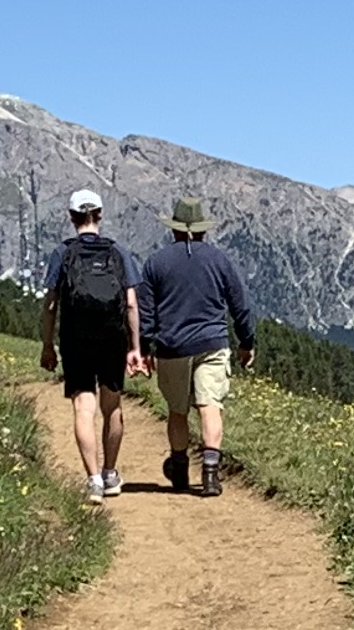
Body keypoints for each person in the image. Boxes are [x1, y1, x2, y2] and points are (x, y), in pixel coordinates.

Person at [135, 196, 256, 495]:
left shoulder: (155, 263)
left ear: (173, 229)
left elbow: (145, 310)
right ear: (203, 229)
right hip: (212, 343)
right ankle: (211, 473)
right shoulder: (219, 260)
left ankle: (178, 467)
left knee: (177, 410)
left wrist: (144, 347)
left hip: (171, 346)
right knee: (210, 405)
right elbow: (240, 305)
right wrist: (247, 342)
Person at [37, 187, 142, 500]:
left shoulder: (63, 253)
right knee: (112, 406)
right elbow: (132, 304)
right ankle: (111, 473)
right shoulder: (117, 252)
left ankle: (93, 479)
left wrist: (47, 345)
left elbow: (50, 304)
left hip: (76, 337)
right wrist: (134, 347)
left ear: (71, 218)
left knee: (84, 406)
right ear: (100, 215)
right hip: (113, 336)